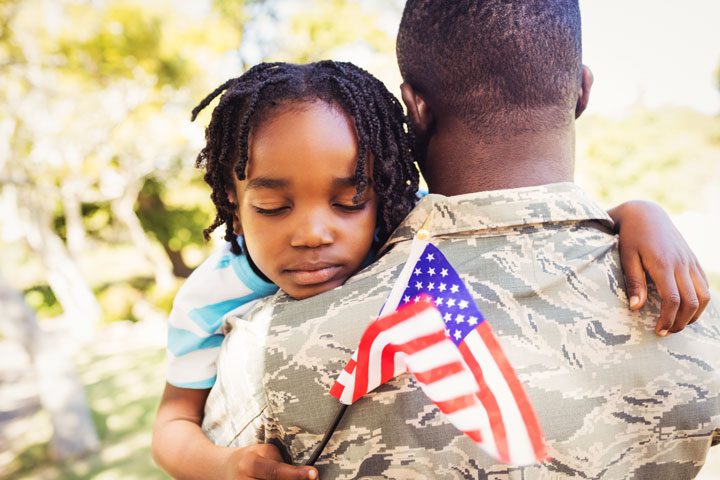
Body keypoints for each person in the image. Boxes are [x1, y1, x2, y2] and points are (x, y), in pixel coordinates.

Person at [200, 1, 720, 479]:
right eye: (273, 207)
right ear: (582, 91)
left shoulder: (268, 349)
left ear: (414, 109)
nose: (313, 234)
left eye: (347, 199)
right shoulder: (686, 305)